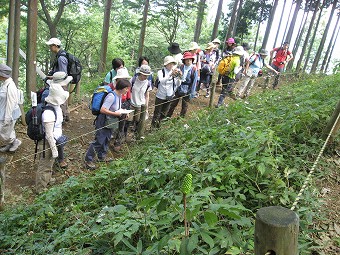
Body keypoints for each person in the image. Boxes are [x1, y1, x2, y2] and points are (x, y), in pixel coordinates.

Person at [35, 71, 70, 193]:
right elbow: (49, 134)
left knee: (49, 163)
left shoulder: (56, 108)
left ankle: (47, 179)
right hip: (47, 143)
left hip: (54, 140)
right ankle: (40, 188)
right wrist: (55, 149)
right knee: (44, 165)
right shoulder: (49, 113)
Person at [84, 79, 131, 170]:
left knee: (107, 138)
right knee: (99, 140)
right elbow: (103, 109)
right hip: (103, 120)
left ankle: (102, 156)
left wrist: (125, 112)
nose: (127, 91)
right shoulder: (111, 96)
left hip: (110, 121)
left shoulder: (119, 96)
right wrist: (116, 114)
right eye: (127, 89)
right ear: (122, 88)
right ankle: (88, 160)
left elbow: (117, 107)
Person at [151, 56, 181, 128]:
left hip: (170, 95)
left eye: (172, 64)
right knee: (157, 113)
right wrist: (170, 75)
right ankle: (153, 128)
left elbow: (178, 84)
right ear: (165, 64)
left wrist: (179, 77)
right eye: (169, 64)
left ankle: (159, 127)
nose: (171, 66)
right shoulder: (160, 72)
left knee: (164, 113)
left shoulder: (175, 71)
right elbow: (162, 81)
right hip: (160, 96)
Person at [45, 38, 71, 122]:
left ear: (55, 46)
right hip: (60, 82)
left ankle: (62, 117)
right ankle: (65, 115)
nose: (50, 48)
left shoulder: (61, 58)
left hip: (61, 83)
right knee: (62, 99)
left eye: (51, 46)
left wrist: (52, 77)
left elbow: (63, 74)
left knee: (61, 99)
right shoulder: (59, 56)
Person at [167, 52, 198, 118]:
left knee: (185, 105)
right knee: (173, 103)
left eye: (190, 59)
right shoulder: (181, 67)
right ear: (184, 60)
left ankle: (181, 118)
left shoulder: (194, 69)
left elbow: (194, 82)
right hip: (179, 87)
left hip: (188, 89)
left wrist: (191, 92)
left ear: (192, 60)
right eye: (187, 59)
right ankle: (168, 116)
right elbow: (176, 77)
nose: (189, 61)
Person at [0, 64, 22, 153]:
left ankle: (15, 142)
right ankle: (11, 143)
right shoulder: (5, 84)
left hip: (9, 114)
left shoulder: (10, 86)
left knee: (3, 131)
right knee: (9, 130)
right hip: (3, 111)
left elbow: (11, 104)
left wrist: (7, 118)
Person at [110, 67, 131, 151]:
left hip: (123, 106)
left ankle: (118, 142)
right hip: (112, 108)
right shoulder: (111, 86)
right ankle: (108, 140)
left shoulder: (127, 87)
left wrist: (126, 111)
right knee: (111, 125)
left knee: (121, 125)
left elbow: (129, 99)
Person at [128, 65, 152, 133]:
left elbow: (147, 96)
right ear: (140, 73)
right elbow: (128, 91)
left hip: (141, 105)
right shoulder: (133, 80)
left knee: (139, 121)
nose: (145, 77)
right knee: (128, 120)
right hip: (131, 104)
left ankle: (136, 134)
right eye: (144, 75)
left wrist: (146, 107)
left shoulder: (148, 83)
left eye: (147, 75)